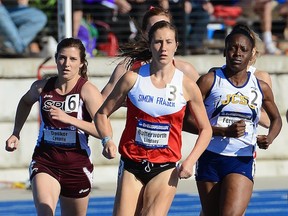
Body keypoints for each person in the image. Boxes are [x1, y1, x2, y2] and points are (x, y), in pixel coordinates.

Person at [94, 21, 212, 215]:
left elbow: (205, 129)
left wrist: (190, 161)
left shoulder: (187, 86)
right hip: (132, 164)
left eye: (168, 42)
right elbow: (102, 113)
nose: (163, 48)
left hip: (165, 167)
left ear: (176, 45)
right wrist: (107, 140)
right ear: (150, 45)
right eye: (158, 42)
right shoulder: (132, 78)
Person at [5, 38, 104, 215]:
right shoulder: (42, 88)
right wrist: (16, 133)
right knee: (45, 211)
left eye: (73, 59)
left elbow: (103, 131)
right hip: (45, 161)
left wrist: (70, 119)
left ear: (81, 63)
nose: (67, 64)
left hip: (76, 166)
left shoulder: (88, 91)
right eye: (62, 58)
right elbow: (25, 102)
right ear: (56, 58)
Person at [194, 24, 282, 216]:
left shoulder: (260, 86)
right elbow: (185, 121)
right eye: (233, 48)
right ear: (225, 51)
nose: (237, 53)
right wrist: (222, 131)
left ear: (251, 55)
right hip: (209, 156)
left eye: (243, 49)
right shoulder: (209, 81)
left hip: (241, 159)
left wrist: (270, 137)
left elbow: (276, 119)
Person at [101, 6, 200, 100]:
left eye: (165, 26)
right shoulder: (127, 66)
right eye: (155, 28)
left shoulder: (185, 70)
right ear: (144, 33)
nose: (161, 32)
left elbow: (205, 103)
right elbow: (102, 102)